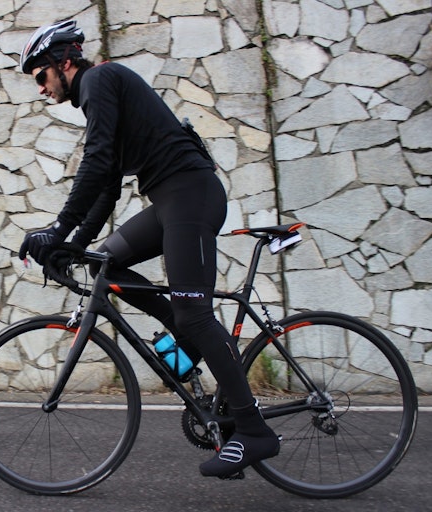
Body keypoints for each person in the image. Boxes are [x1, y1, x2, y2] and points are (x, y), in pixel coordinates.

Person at [17, 20, 279, 478]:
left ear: (63, 62)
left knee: (195, 314)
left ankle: (254, 431)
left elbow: (96, 161)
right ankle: (185, 336)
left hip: (191, 196)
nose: (40, 88)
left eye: (40, 76)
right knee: (106, 263)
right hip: (172, 200)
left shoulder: (98, 80)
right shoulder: (102, 95)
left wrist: (58, 229)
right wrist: (74, 246)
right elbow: (106, 185)